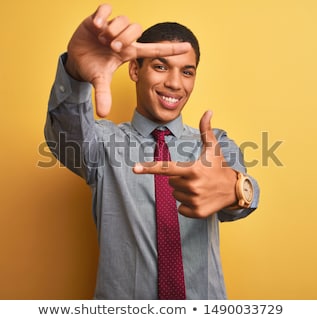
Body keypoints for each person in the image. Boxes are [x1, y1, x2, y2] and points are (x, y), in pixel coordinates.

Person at [44, 4, 260, 299]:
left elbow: (243, 195)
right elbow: (63, 134)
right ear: (135, 69)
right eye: (160, 67)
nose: (174, 83)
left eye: (187, 72)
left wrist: (236, 188)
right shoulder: (103, 145)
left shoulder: (214, 145)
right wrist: (75, 73)